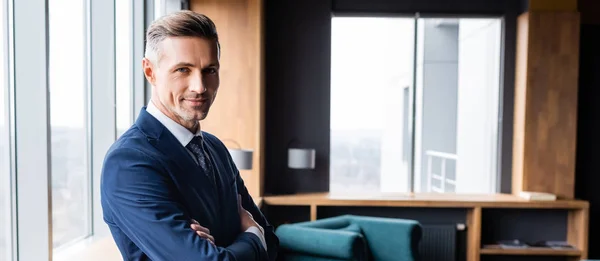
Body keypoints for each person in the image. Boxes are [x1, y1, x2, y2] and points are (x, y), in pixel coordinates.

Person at [100, 10, 278, 261]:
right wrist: (251, 235)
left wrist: (238, 244)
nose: (200, 87)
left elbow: (271, 240)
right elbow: (253, 240)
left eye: (210, 70)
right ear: (150, 72)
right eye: (183, 69)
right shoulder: (129, 163)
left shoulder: (215, 148)